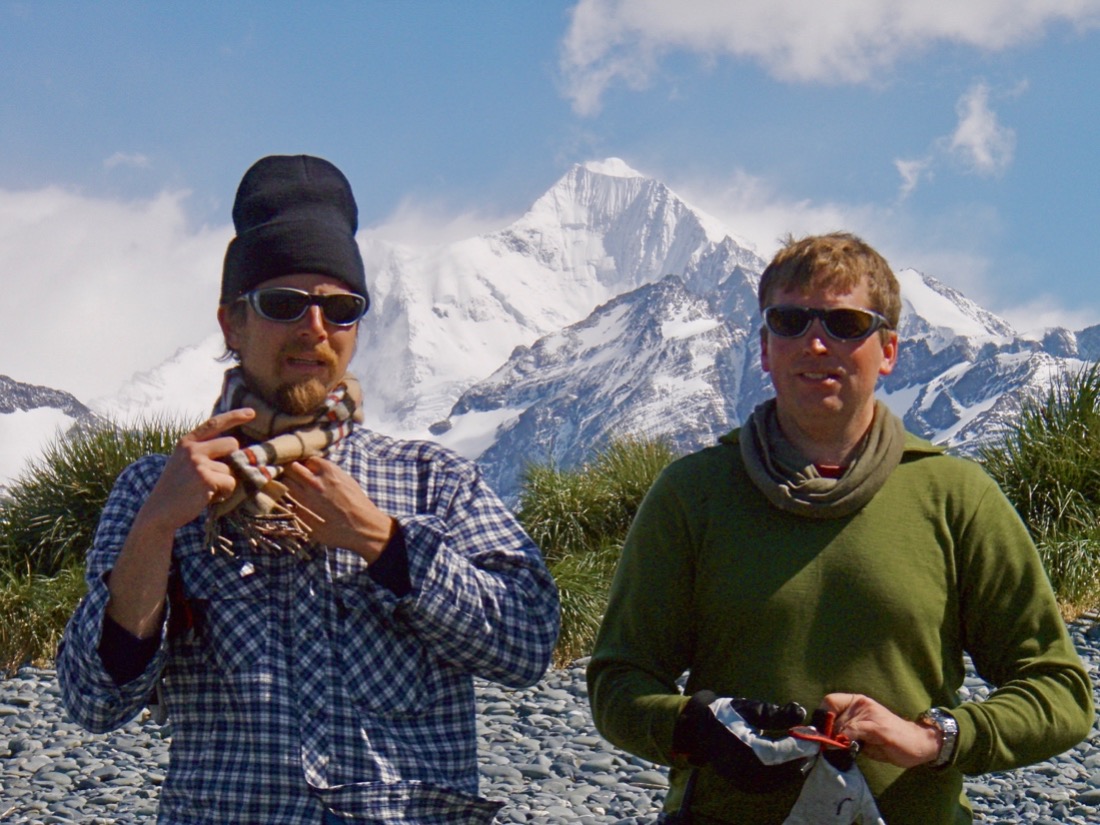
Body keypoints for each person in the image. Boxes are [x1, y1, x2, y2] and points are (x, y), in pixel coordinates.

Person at [58, 154, 560, 824]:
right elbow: (95, 701)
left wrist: (384, 543)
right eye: (284, 303)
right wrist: (153, 531)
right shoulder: (159, 487)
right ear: (231, 322)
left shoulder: (430, 479)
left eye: (341, 308)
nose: (314, 328)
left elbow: (529, 642)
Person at [586, 232, 1094, 824]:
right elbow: (619, 681)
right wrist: (696, 727)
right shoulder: (692, 494)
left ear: (889, 351)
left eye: (847, 323)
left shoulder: (955, 496)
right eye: (790, 321)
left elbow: (1059, 691)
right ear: (763, 347)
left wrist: (935, 738)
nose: (816, 342)